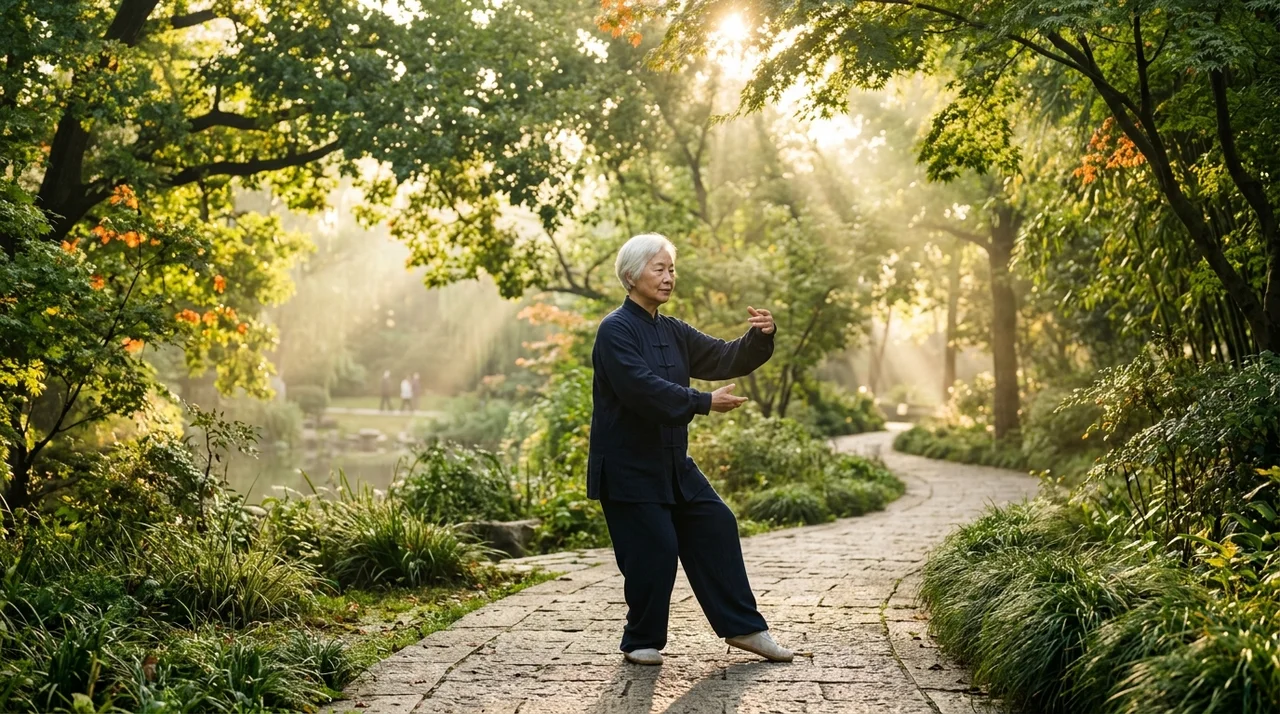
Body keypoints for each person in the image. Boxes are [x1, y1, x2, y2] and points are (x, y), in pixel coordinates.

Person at [588, 232, 793, 667]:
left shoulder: (674, 330)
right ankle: (640, 640)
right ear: (631, 275)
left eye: (671, 269)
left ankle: (745, 629)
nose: (668, 278)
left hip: (672, 464)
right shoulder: (614, 331)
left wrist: (760, 336)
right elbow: (642, 391)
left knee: (716, 523)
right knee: (656, 550)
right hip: (627, 467)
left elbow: (723, 357)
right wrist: (704, 402)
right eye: (659, 269)